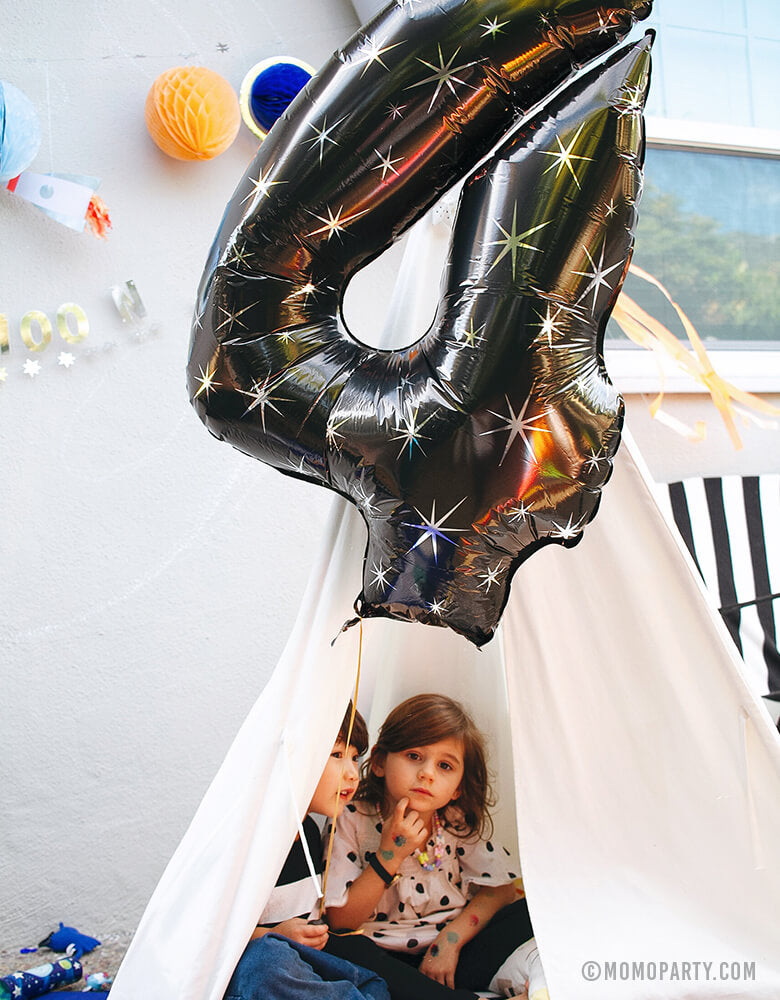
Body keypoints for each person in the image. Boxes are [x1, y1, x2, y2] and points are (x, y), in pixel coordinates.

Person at [324, 694, 547, 1000]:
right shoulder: (351, 818)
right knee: (339, 947)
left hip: (450, 956)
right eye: (414, 756)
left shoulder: (453, 822)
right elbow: (341, 920)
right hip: (387, 958)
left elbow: (500, 889)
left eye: (445, 766)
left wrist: (450, 941)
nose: (427, 773)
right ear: (378, 762)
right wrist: (390, 855)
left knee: (537, 907)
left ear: (457, 789)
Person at [222, 704, 369, 999]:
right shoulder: (251, 840)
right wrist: (276, 936)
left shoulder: (311, 832)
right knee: (269, 961)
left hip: (304, 969)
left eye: (355, 757)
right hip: (255, 972)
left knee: (366, 963)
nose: (352, 773)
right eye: (337, 755)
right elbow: (213, 933)